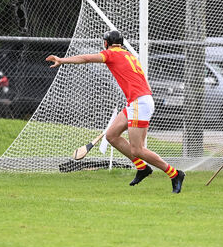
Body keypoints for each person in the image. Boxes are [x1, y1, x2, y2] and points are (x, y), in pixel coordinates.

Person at [46, 30, 185, 193]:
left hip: (140, 103)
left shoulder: (111, 54)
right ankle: (142, 168)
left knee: (137, 149)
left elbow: (85, 59)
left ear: (107, 43)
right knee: (111, 136)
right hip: (137, 102)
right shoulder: (127, 54)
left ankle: (175, 174)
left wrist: (62, 60)